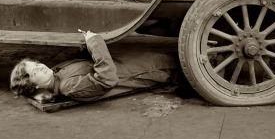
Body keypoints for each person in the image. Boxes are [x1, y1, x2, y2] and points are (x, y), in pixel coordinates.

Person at [10, 30, 178, 103]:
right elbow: (107, 79)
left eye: (37, 64)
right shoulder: (67, 87)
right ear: (35, 85)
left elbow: (80, 64)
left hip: (128, 63)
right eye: (34, 72)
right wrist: (94, 42)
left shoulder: (55, 72)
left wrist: (85, 42)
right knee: (173, 61)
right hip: (143, 72)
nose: (41, 67)